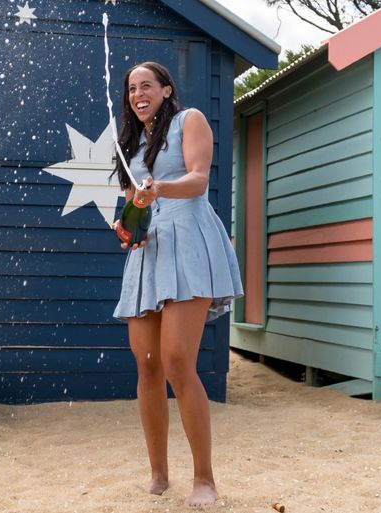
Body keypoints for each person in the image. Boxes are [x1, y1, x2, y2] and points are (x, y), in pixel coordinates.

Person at [111, 62, 243, 507]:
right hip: (149, 254)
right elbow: (134, 205)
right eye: (131, 88)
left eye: (146, 85)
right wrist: (127, 223)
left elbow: (199, 179)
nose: (137, 93)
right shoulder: (131, 144)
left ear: (167, 90)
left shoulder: (191, 121)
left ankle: (204, 480)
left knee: (175, 361)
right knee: (146, 363)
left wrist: (158, 190)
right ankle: (158, 474)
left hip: (189, 244)